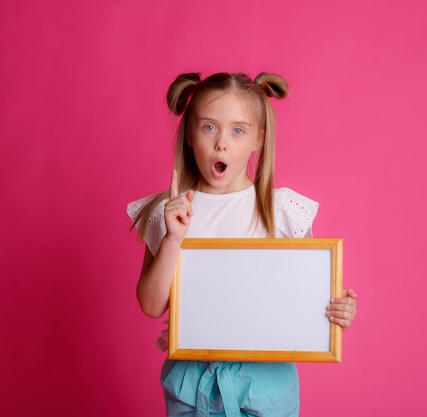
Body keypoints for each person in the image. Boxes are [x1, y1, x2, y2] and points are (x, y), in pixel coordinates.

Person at [127, 72, 357, 417]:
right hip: (192, 385)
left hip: (266, 387)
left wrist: (338, 310)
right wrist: (174, 238)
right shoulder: (170, 213)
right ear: (189, 133)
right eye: (208, 127)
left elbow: (307, 299)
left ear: (256, 140)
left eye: (238, 131)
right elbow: (151, 303)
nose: (222, 143)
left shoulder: (281, 213)